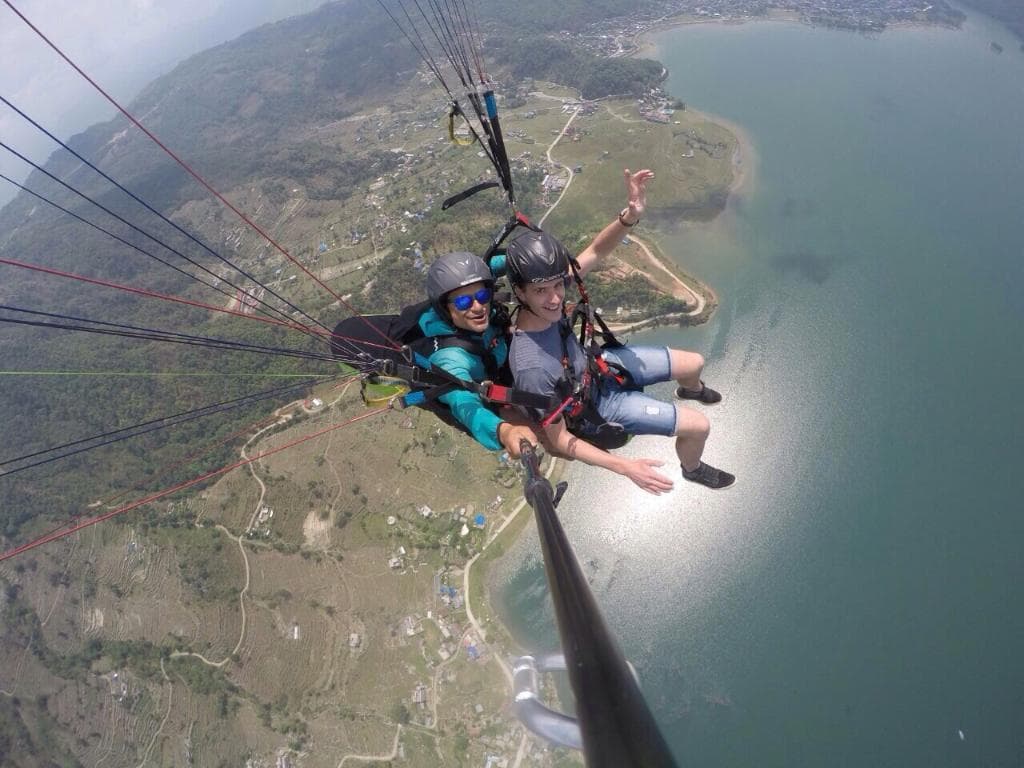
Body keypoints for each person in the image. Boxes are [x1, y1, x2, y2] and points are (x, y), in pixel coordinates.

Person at [506, 169, 735, 490]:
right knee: (699, 426)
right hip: (597, 405)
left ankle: (689, 389)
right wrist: (625, 467)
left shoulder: (545, 299)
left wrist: (630, 215)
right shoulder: (532, 367)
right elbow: (558, 441)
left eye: (558, 285)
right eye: (542, 290)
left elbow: (596, 251)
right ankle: (692, 468)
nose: (556, 297)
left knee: (694, 362)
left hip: (599, 368)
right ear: (520, 292)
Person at [420, 251, 674, 494]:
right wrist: (504, 431)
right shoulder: (449, 358)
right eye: (464, 301)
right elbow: (464, 405)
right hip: (498, 397)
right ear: (445, 308)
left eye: (484, 295)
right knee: (554, 441)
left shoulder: (479, 306)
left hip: (510, 368)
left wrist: (625, 220)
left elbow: (516, 262)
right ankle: (608, 457)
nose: (478, 306)